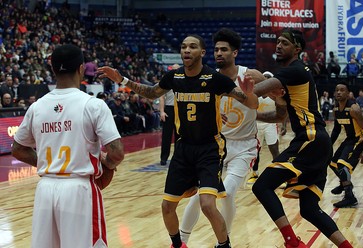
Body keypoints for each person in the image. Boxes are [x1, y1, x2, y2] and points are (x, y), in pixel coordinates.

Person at [98, 34, 259, 248]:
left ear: (202, 53)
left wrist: (249, 94)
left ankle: (224, 244)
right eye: (183, 46)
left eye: (192, 47)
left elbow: (252, 104)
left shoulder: (215, 79)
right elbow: (151, 92)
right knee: (167, 206)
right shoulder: (174, 77)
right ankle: (178, 244)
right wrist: (122, 80)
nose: (186, 50)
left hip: (209, 149)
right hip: (183, 148)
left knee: (208, 205)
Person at [243, 29, 353, 248]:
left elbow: (254, 92)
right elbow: (280, 115)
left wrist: (243, 83)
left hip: (310, 138)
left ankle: (292, 242)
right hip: (318, 142)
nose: (278, 45)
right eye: (277, 42)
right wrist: (254, 115)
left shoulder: (295, 70)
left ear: (297, 49)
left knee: (262, 186)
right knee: (309, 209)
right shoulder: (293, 75)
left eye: (284, 42)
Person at [11, 44, 125, 248]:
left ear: (53, 69)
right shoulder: (93, 105)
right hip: (79, 189)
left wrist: (48, 162)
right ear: (81, 69)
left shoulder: (37, 107)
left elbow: (18, 148)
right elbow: (116, 152)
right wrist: (107, 163)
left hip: (45, 189)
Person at [179, 28, 262, 245]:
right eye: (216, 50)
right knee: (199, 196)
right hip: (216, 146)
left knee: (228, 193)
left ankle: (223, 242)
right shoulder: (208, 78)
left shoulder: (250, 75)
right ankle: (181, 241)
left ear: (235, 53)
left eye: (224, 49)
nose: (219, 53)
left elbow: (275, 96)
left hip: (244, 147)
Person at [329, 82, 363, 208]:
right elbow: (336, 129)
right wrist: (328, 145)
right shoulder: (336, 108)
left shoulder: (354, 109)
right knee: (333, 162)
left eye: (342, 90)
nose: (339, 92)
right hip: (350, 139)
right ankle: (345, 183)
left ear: (348, 94)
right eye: (337, 90)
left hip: (360, 139)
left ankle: (349, 197)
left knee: (342, 165)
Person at [248, 71, 281, 184]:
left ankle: (279, 175)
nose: (265, 80)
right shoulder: (255, 94)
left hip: (270, 124)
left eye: (267, 78)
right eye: (263, 78)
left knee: (274, 149)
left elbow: (282, 112)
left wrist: (284, 126)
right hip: (257, 124)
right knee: (255, 151)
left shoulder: (275, 96)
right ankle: (254, 173)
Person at [159, 63, 180, 165]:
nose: (175, 71)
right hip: (169, 109)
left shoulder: (183, 81)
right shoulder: (166, 82)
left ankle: (177, 158)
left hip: (180, 109)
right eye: (173, 69)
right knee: (166, 136)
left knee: (179, 135)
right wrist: (162, 111)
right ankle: (164, 158)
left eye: (177, 69)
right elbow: (162, 97)